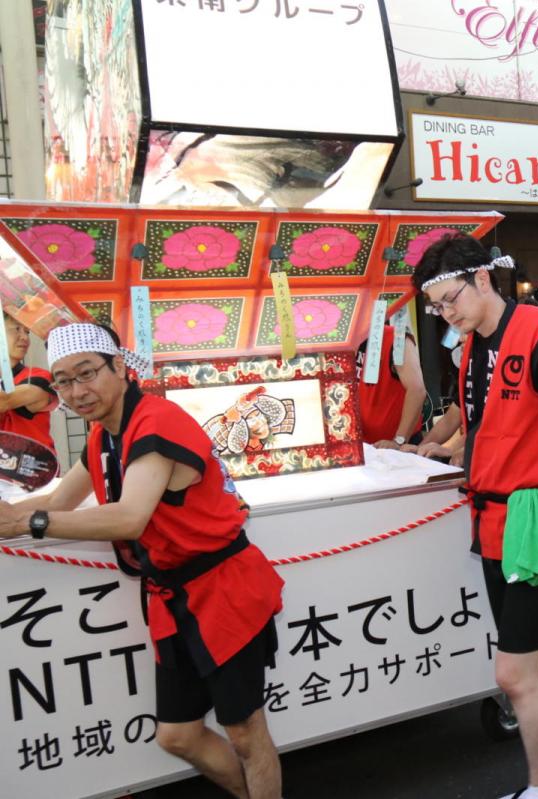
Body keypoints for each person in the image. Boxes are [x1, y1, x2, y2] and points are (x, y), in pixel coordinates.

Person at [0, 323, 285, 798]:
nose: (76, 391)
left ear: (120, 368)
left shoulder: (157, 421)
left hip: (224, 590)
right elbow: (60, 502)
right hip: (175, 598)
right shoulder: (102, 436)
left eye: (87, 373)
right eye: (64, 381)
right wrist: (10, 515)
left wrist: (25, 525)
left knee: (246, 732)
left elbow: (129, 518)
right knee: (178, 734)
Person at [413, 233, 538, 799]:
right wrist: (439, 450)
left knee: (514, 673)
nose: (446, 313)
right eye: (437, 307)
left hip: (536, 518)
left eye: (450, 299)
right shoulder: (474, 345)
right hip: (496, 518)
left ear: (482, 279)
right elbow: (489, 425)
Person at [355, 319, 427, 450]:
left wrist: (399, 440)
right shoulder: (344, 344)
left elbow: (417, 390)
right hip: (363, 446)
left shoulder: (396, 338)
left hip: (398, 446)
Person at [0, 313, 58, 452]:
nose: (25, 337)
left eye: (27, 331)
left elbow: (5, 401)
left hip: (33, 468)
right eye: (17, 329)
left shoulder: (40, 377)